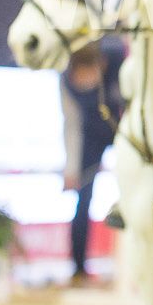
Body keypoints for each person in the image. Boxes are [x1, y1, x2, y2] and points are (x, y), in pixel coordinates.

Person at [60, 39, 124, 284]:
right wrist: (71, 169)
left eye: (90, 77)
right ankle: (78, 269)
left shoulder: (119, 59)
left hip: (124, 130)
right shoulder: (66, 80)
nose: (85, 83)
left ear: (102, 65)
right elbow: (71, 124)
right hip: (90, 136)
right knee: (82, 198)